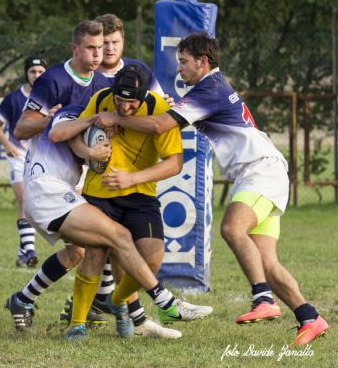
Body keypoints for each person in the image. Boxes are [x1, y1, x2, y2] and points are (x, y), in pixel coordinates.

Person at [94, 32, 329, 346]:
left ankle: (262, 299)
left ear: (202, 62)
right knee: (267, 262)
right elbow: (175, 116)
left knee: (232, 228)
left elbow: (159, 125)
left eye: (184, 62)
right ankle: (309, 316)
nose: (180, 69)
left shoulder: (210, 88)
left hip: (260, 170)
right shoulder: (208, 90)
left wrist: (114, 119)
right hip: (260, 171)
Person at [7, 104, 210, 341]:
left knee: (78, 253)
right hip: (47, 192)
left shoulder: (91, 119)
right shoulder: (74, 111)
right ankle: (164, 302)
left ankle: (23, 299)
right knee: (119, 236)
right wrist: (93, 136)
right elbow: (59, 133)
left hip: (52, 191)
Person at [67, 64, 212, 339]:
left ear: (144, 96)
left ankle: (117, 301)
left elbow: (175, 163)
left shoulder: (159, 109)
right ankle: (77, 324)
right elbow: (75, 133)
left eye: (131, 102)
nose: (124, 107)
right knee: (95, 254)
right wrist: (89, 152)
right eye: (120, 100)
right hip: (99, 193)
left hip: (140, 193)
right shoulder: (101, 99)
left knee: (152, 257)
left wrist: (131, 179)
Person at [6, 20, 113, 328]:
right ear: (74, 48)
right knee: (107, 236)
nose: (97, 54)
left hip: (74, 176)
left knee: (79, 250)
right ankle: (108, 305)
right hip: (45, 176)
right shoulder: (53, 80)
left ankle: (24, 299)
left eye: (101, 47)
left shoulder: (102, 83)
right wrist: (52, 119)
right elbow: (21, 128)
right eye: (91, 48)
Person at [0, 56, 47, 268]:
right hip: (19, 156)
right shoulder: (14, 98)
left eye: (41, 71)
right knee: (24, 199)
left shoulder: (51, 96)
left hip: (43, 157)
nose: (36, 75)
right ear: (26, 74)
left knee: (36, 203)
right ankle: (30, 250)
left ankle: (23, 251)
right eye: (33, 71)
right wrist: (7, 144)